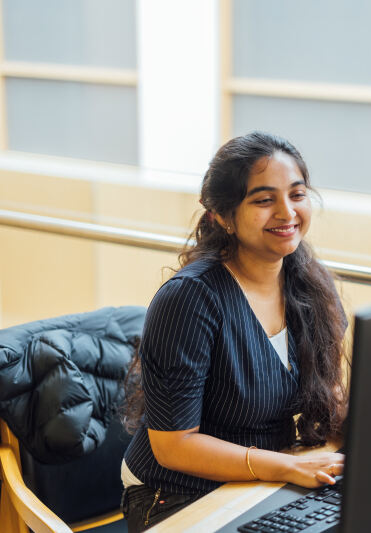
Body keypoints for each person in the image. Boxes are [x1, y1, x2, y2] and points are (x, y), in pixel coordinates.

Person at [119, 132, 348, 532]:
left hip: (263, 483)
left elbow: (327, 396)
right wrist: (287, 467)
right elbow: (174, 446)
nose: (287, 212)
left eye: (297, 194)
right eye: (263, 200)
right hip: (175, 495)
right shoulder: (190, 299)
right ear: (223, 216)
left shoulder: (310, 284)